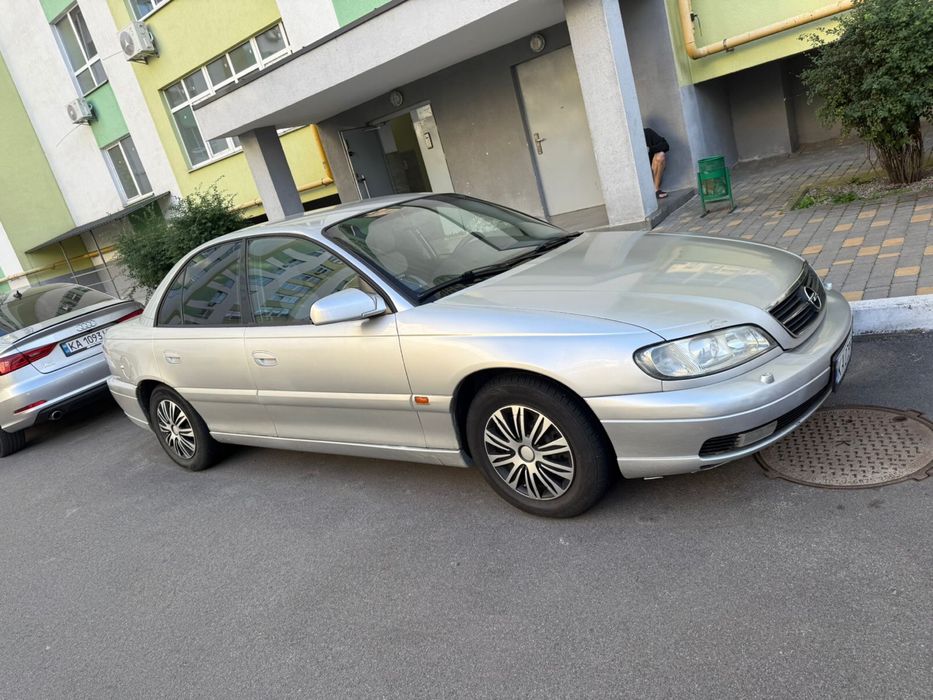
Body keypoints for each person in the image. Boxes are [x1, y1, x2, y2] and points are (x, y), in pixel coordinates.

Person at [644, 127, 669, 199]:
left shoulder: (647, 133)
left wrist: (650, 149)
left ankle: (656, 190)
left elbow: (665, 145)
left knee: (660, 155)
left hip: (652, 170)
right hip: (638, 174)